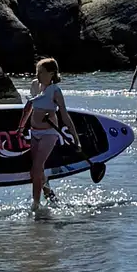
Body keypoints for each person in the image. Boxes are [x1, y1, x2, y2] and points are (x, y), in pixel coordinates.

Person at [18, 57, 82, 212]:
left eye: (41, 72)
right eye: (37, 71)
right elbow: (28, 107)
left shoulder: (55, 91)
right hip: (34, 132)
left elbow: (65, 116)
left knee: (37, 167)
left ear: (51, 73)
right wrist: (21, 127)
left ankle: (35, 205)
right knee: (36, 171)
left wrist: (76, 138)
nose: (38, 75)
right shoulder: (35, 85)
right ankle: (50, 195)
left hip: (49, 133)